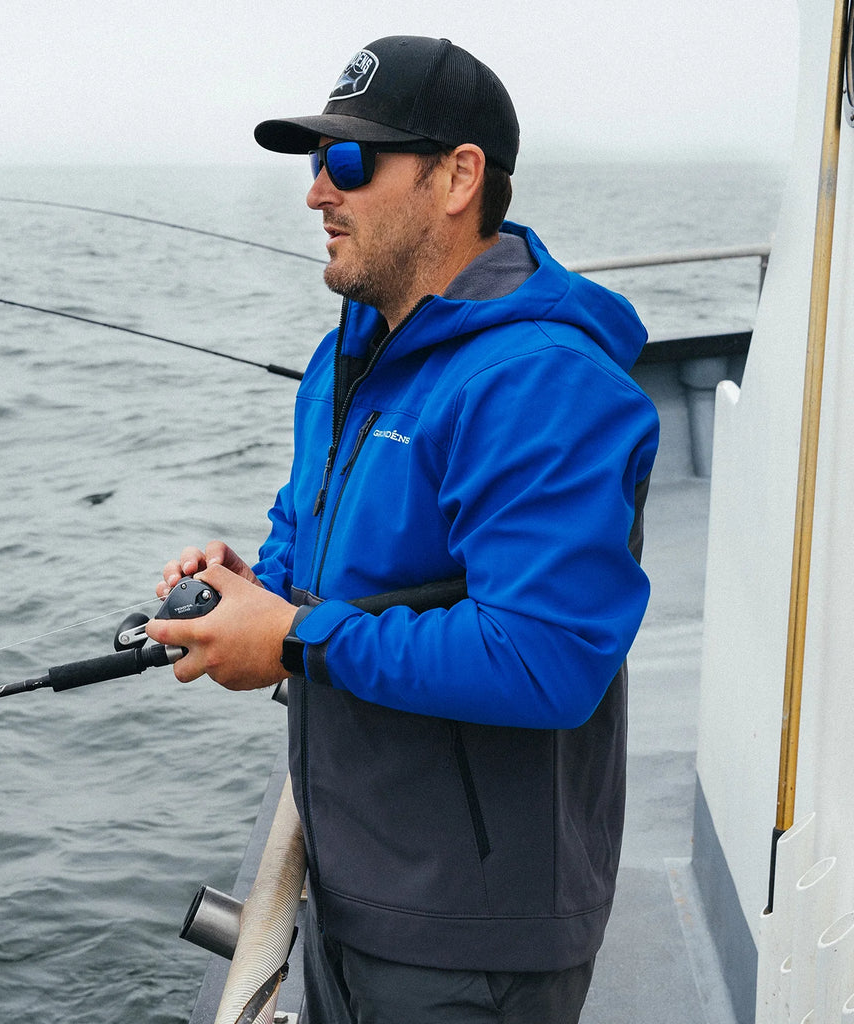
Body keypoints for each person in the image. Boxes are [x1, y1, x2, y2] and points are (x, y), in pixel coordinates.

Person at [147, 35, 660, 1024]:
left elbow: (545, 659)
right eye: (315, 162)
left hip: (473, 937)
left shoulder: (543, 381)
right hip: (353, 887)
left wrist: (292, 639)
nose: (317, 193)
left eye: (348, 162)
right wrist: (249, 591)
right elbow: (308, 557)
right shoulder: (343, 357)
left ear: (458, 176)